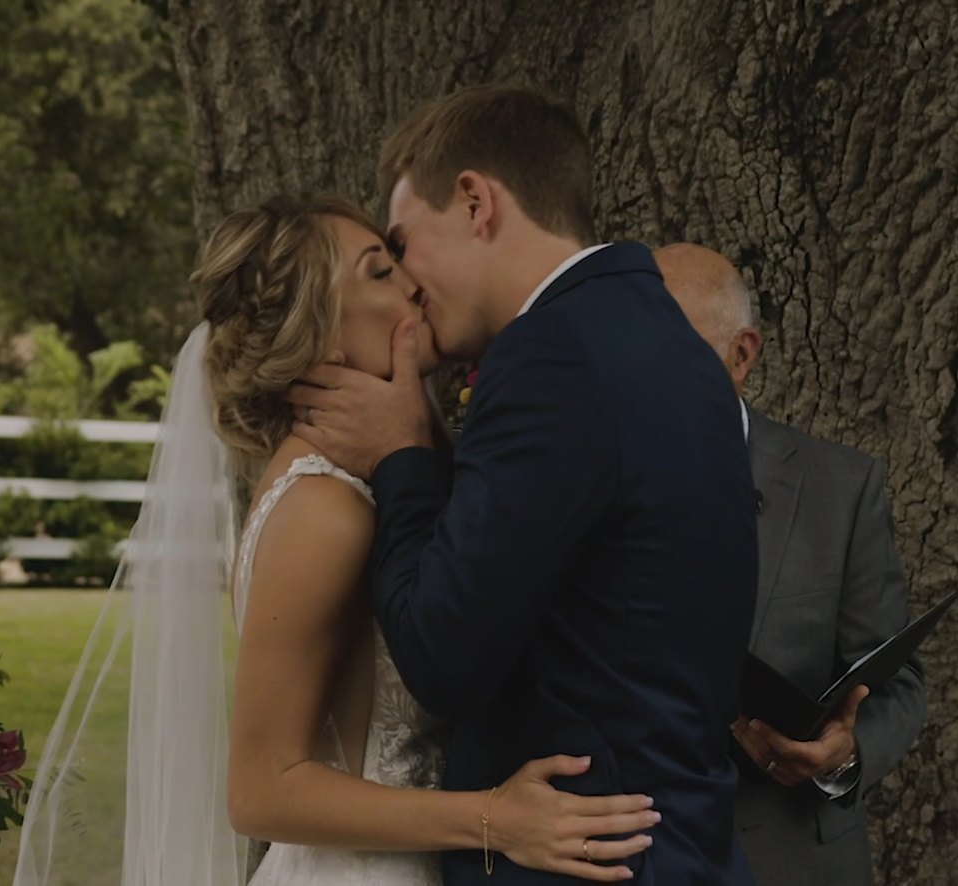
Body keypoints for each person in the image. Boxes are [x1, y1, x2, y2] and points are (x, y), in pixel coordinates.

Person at [11, 194, 660, 886]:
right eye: (379, 272)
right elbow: (261, 790)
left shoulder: (364, 489)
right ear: (318, 337)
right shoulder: (325, 509)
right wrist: (493, 820)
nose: (412, 283)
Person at [282, 85, 760, 884]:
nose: (406, 281)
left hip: (584, 861)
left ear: (475, 202)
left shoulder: (551, 356)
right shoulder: (671, 345)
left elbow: (442, 657)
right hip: (681, 849)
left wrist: (402, 454)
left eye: (403, 244)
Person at [655, 243, 929, 886]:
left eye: (666, 349)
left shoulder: (841, 486)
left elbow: (898, 682)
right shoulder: (577, 484)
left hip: (790, 861)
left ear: (741, 354)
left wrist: (843, 752)